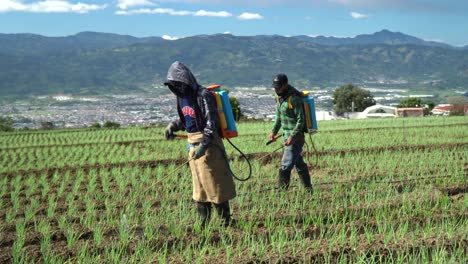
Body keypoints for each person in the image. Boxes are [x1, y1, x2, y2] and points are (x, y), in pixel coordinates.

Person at [163, 61, 236, 227]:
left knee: (215, 184)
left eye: (177, 84)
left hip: (209, 146)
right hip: (192, 145)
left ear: (185, 81)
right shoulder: (181, 99)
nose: (175, 88)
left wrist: (204, 145)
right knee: (199, 188)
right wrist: (173, 126)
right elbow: (186, 120)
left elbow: (212, 123)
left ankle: (226, 222)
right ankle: (203, 223)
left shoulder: (203, 95)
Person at [269, 73, 313, 192]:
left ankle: (281, 193)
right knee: (298, 162)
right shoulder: (279, 98)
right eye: (275, 87)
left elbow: (301, 120)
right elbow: (279, 116)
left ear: (285, 85)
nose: (276, 89)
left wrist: (292, 136)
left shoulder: (294, 99)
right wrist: (273, 131)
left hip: (295, 138)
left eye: (278, 86)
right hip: (285, 136)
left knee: (286, 164)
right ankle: (309, 189)